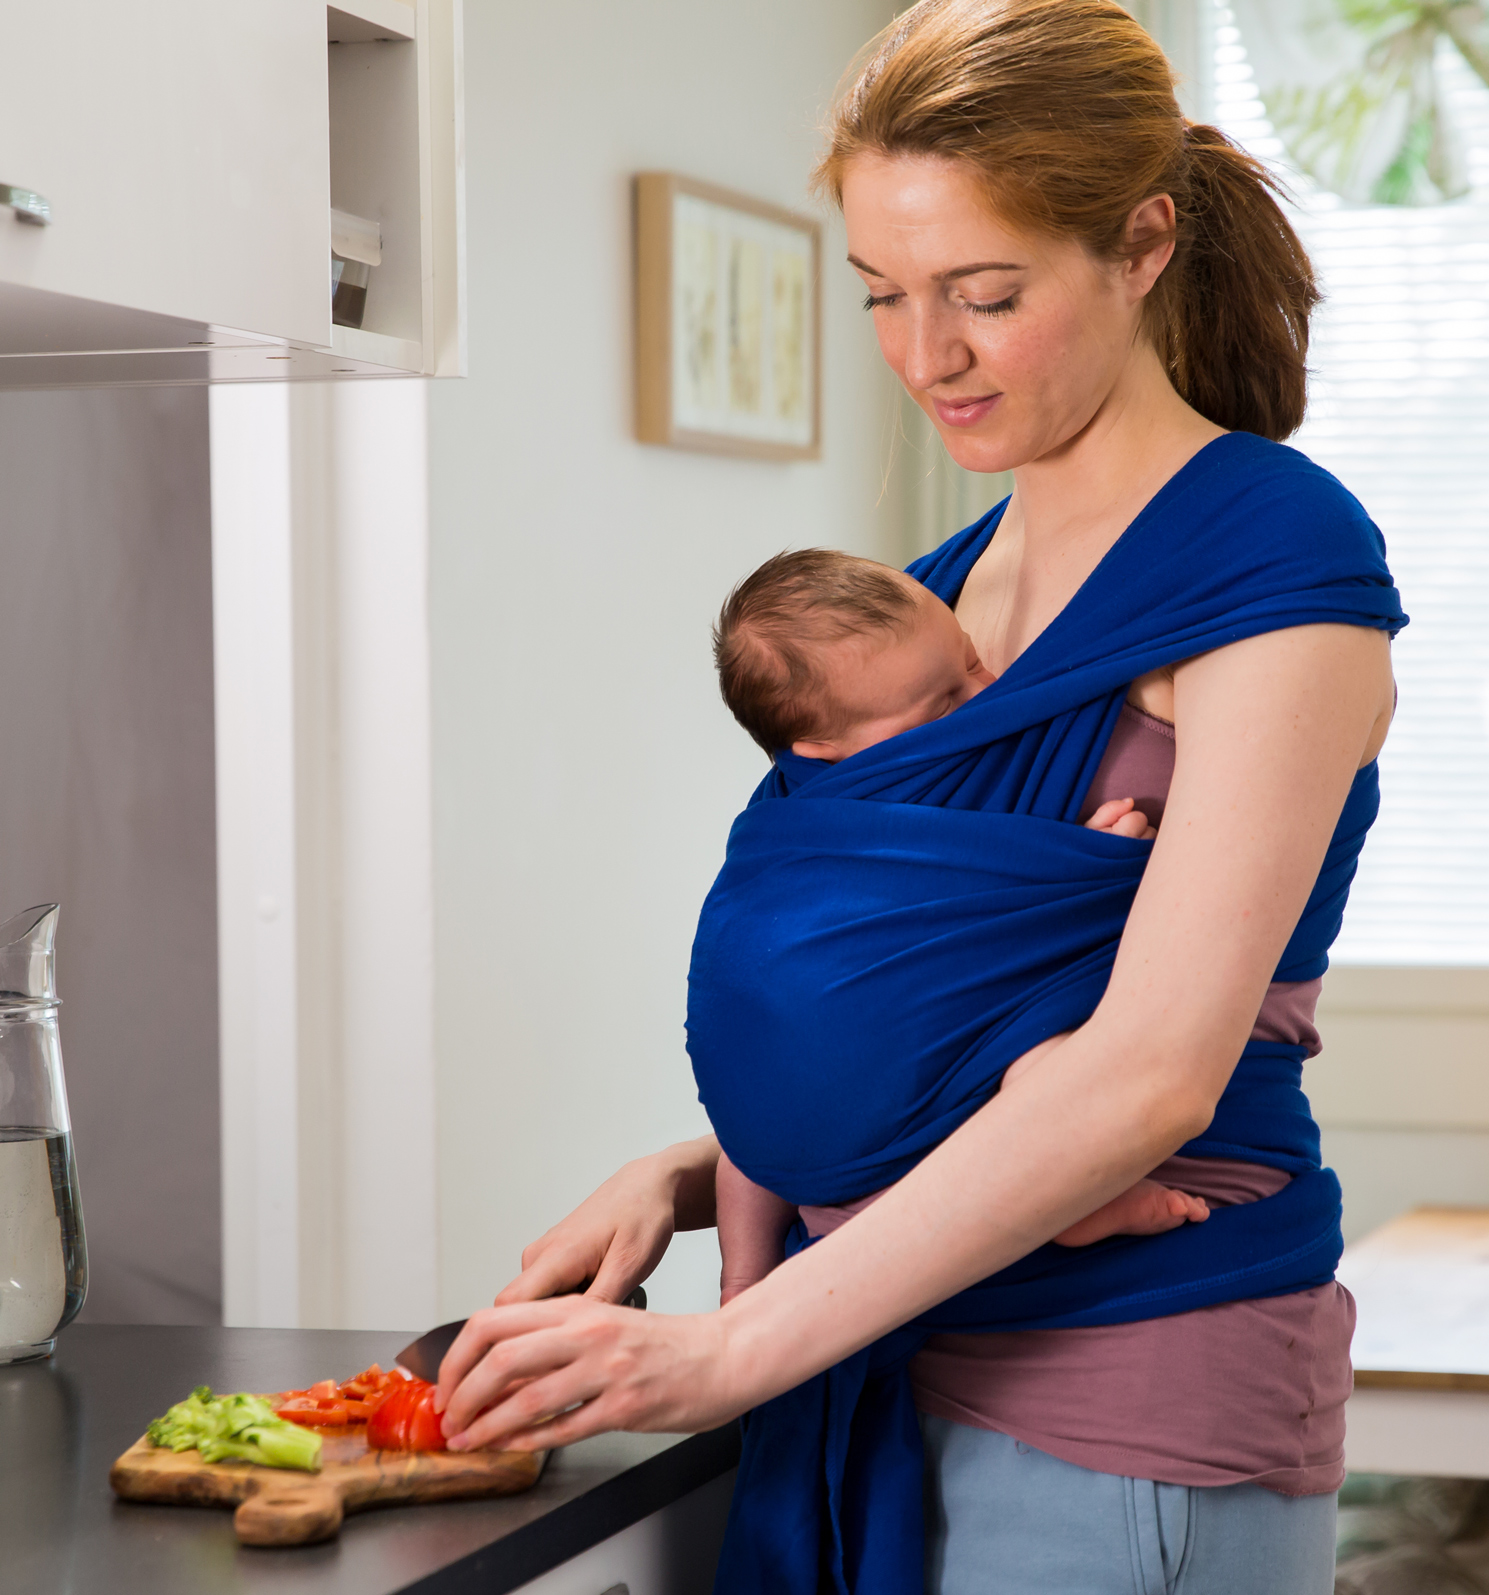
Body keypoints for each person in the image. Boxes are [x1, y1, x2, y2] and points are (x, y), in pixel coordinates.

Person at [432, 3, 1404, 1591]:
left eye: (985, 294)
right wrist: (691, 1169)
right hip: (883, 1339)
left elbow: (1150, 1074)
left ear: (1142, 243)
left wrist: (733, 1352)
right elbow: (937, 1024)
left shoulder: (1270, 557)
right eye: (883, 294)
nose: (924, 354)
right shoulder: (930, 603)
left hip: (1127, 1383)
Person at [708, 547, 1209, 1301]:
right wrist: (1092, 859)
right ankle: (744, 1286)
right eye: (944, 702)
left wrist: (1077, 855)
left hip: (852, 1062)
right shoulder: (845, 798)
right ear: (820, 748)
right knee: (1033, 1059)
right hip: (826, 1028)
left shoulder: (892, 744)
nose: (986, 695)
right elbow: (980, 880)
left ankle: (743, 1282)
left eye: (971, 659)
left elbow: (978, 888)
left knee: (750, 1147)